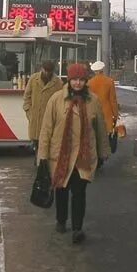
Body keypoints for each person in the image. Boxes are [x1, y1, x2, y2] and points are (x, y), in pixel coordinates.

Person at [37, 63, 110, 245]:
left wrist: (103, 152)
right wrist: (42, 156)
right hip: (60, 155)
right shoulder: (56, 99)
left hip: (83, 157)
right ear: (68, 81)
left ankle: (77, 228)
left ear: (86, 81)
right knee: (61, 190)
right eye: (74, 80)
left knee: (79, 193)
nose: (78, 83)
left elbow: (100, 128)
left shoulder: (92, 100)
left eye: (81, 80)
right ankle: (61, 221)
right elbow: (46, 129)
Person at [23, 60, 64, 150]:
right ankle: (38, 161)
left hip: (50, 119)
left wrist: (57, 117)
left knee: (47, 146)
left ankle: (42, 162)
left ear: (52, 71)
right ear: (42, 68)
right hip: (35, 119)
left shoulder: (58, 83)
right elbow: (27, 96)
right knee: (37, 145)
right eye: (45, 70)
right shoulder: (33, 79)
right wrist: (29, 111)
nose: (47, 73)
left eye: (49, 71)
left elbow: (61, 102)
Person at [87, 60, 119, 136]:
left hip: (94, 112)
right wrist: (115, 114)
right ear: (102, 70)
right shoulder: (109, 81)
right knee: (106, 138)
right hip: (107, 113)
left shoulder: (89, 83)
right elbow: (113, 100)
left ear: (94, 71)